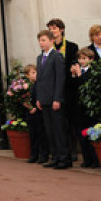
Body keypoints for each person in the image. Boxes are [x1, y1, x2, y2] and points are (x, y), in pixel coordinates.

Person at [35, 29, 70, 169]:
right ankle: (55, 156)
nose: (41, 43)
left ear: (51, 40)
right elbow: (40, 80)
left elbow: (60, 79)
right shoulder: (39, 58)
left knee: (58, 130)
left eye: (43, 40)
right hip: (44, 99)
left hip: (54, 99)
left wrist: (57, 98)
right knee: (49, 130)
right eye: (40, 41)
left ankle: (64, 158)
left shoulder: (57, 56)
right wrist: (38, 98)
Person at [47, 18, 79, 161]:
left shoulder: (71, 46)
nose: (52, 31)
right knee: (58, 122)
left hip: (69, 88)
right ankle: (59, 150)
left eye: (55, 28)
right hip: (54, 88)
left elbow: (74, 63)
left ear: (61, 30)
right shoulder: (49, 47)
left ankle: (72, 150)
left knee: (71, 120)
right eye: (50, 29)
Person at [72, 48, 100, 168]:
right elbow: (74, 88)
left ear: (91, 59)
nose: (81, 61)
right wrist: (74, 75)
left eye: (84, 58)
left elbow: (87, 86)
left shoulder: (94, 71)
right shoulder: (79, 71)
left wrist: (78, 74)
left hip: (91, 107)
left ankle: (95, 159)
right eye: (80, 58)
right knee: (82, 133)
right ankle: (87, 159)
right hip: (80, 107)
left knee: (92, 132)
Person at [24, 65, 48, 164]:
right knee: (32, 135)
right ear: (27, 75)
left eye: (36, 72)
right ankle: (34, 155)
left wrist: (35, 108)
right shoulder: (26, 86)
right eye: (32, 73)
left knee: (41, 135)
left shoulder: (40, 84)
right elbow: (24, 98)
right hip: (30, 114)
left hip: (38, 113)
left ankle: (43, 155)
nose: (35, 75)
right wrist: (27, 106)